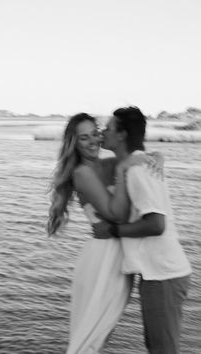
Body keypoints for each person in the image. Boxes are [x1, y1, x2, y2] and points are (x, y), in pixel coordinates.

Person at [47, 113, 163, 353]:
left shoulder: (106, 164)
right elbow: (117, 214)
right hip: (101, 259)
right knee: (88, 335)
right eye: (83, 138)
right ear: (74, 143)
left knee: (102, 332)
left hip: (120, 258)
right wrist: (122, 172)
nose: (93, 142)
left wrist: (158, 157)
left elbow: (138, 158)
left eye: (95, 134)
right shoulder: (82, 173)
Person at [98, 106, 192, 354]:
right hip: (157, 273)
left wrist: (115, 230)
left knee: (162, 350)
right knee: (157, 347)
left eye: (108, 128)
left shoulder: (138, 169)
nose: (103, 132)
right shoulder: (135, 164)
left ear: (122, 135)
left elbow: (156, 224)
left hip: (164, 274)